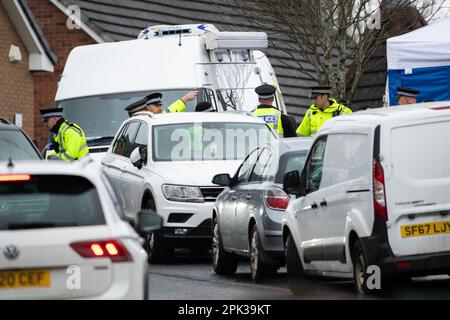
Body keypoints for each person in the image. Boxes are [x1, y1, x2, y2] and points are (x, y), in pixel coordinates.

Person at [125, 91, 198, 116]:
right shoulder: (144, 123)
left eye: (160, 105)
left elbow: (170, 111)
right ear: (148, 108)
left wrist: (185, 99)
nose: (160, 108)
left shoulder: (159, 117)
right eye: (157, 106)